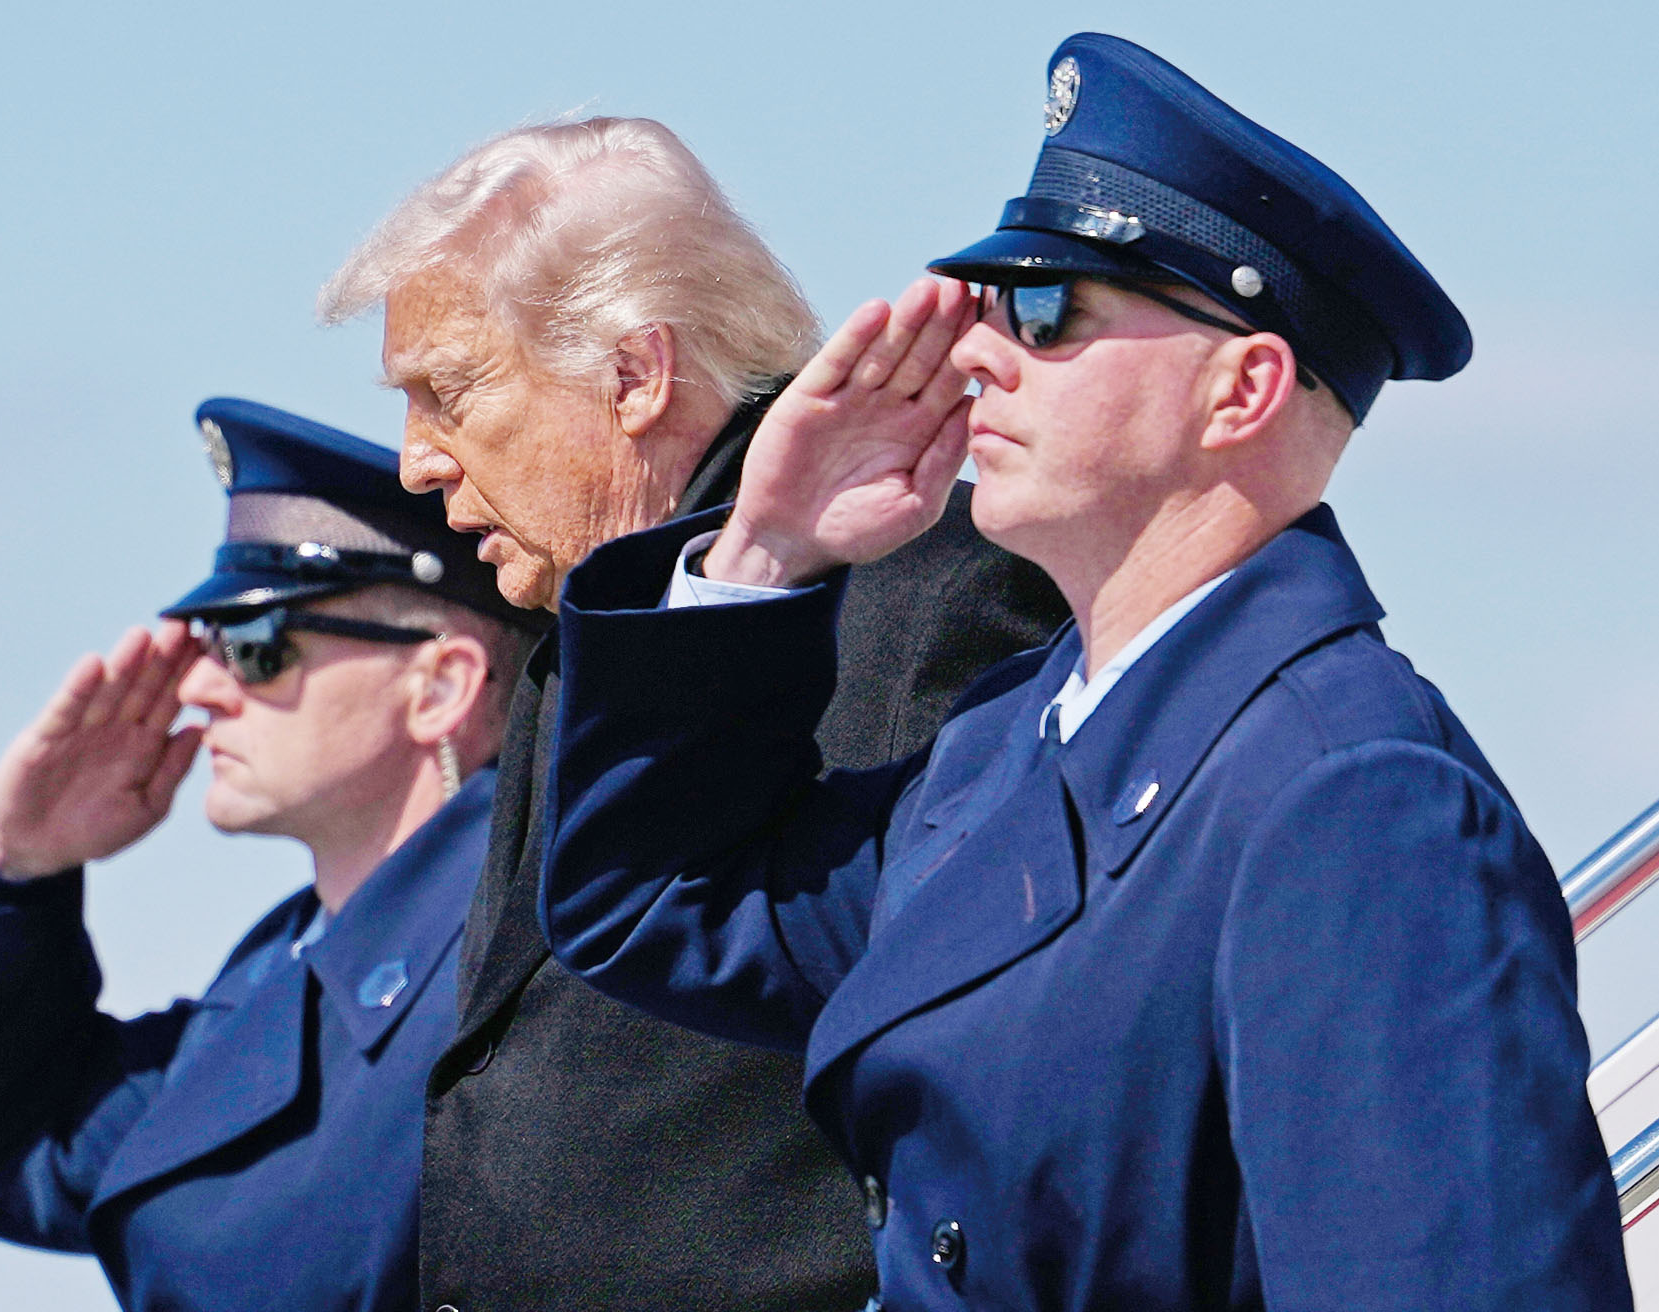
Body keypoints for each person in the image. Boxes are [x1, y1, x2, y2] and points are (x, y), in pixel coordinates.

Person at [540, 34, 1631, 1310]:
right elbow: (656, 901)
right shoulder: (1007, 747)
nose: (981, 355)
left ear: (1243, 387)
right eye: (992, 306)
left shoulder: (1353, 797)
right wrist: (763, 548)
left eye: (1048, 312)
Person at [319, 118, 1068, 1309]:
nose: (416, 462)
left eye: (451, 393)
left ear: (635, 376)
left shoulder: (939, 589)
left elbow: (997, 1082)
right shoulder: (582, 636)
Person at [0, 399, 543, 1312]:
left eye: (255, 646)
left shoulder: (537, 952)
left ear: (439, 685)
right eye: (208, 644)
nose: (201, 686)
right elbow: (5, 1153)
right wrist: (18, 871)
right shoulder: (281, 973)